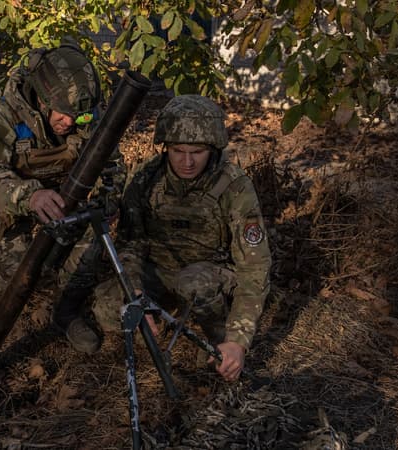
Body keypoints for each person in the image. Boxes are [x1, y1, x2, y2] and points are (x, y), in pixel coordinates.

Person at [0, 39, 124, 354]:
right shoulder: (5, 117)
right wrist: (31, 196)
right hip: (16, 209)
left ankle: (66, 311)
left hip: (65, 204)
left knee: (91, 246)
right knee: (11, 280)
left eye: (80, 117)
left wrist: (108, 199)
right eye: (63, 114)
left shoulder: (84, 113)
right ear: (42, 98)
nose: (71, 123)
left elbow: (113, 164)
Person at [92, 95, 271, 381]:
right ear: (166, 147)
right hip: (158, 271)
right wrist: (134, 291)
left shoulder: (233, 186)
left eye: (197, 152)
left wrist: (238, 340)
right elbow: (131, 244)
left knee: (194, 283)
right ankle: (160, 316)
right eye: (178, 151)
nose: (187, 162)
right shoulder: (146, 178)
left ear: (212, 148)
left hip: (209, 273)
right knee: (106, 305)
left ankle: (216, 336)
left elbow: (254, 267)